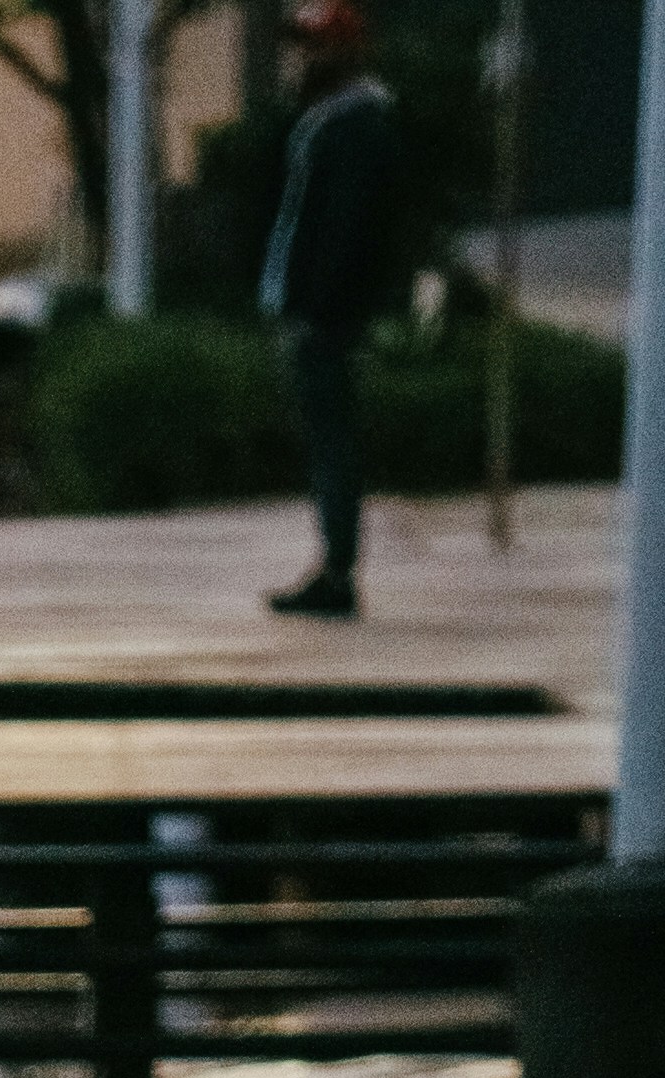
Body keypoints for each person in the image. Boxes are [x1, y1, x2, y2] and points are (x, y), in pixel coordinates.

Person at [261, 0, 400, 619]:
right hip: (316, 310)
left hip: (328, 316)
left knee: (332, 440)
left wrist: (315, 307)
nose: (302, 58)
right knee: (325, 438)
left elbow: (342, 230)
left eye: (315, 45)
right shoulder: (327, 119)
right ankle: (333, 564)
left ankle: (338, 572)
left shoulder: (354, 125)